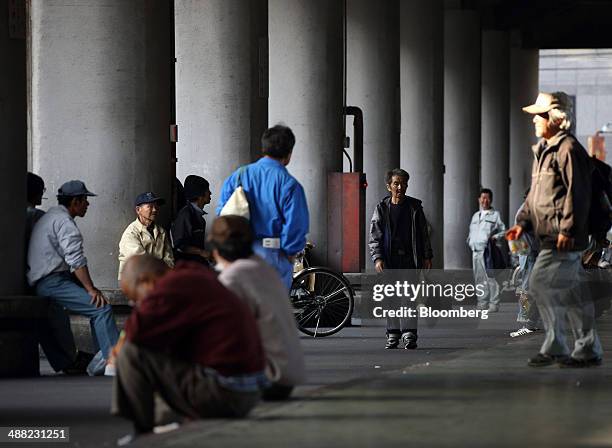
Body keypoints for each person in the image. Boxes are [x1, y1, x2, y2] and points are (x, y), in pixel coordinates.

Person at [111, 255, 268, 440]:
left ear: (146, 281)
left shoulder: (171, 286)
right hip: (248, 390)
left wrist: (119, 347)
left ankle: (143, 434)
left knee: (131, 352)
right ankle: (162, 419)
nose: (138, 305)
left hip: (227, 393)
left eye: (135, 299)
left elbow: (135, 331)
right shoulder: (191, 277)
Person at [507, 91, 603, 367]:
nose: (535, 120)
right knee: (571, 291)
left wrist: (568, 230)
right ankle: (585, 348)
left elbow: (578, 193)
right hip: (549, 234)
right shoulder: (544, 151)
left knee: (538, 282)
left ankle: (557, 344)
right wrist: (522, 223)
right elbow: (535, 196)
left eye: (540, 115)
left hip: (562, 237)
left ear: (555, 118)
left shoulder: (568, 149)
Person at [27, 180, 119, 375]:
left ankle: (100, 358)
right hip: (52, 282)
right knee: (101, 308)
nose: (88, 204)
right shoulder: (64, 223)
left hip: (47, 281)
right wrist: (91, 289)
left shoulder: (52, 216)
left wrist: (89, 288)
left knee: (87, 310)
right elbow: (76, 261)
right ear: (75, 202)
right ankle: (113, 360)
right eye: (85, 200)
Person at [211, 215, 306, 400]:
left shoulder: (232, 278)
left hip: (269, 379)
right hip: (287, 376)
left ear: (215, 250)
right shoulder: (264, 268)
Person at [216, 124, 309, 290]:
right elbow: (296, 227)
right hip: (273, 255)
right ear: (289, 154)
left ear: (264, 148)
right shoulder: (290, 185)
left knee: (242, 310)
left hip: (239, 254)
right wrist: (289, 253)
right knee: (271, 312)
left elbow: (222, 215)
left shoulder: (238, 176)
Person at [369, 168, 433, 350]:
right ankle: (393, 333)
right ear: (389, 186)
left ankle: (409, 333)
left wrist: (427, 255)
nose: (400, 187)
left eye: (403, 183)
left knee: (409, 297)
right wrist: (377, 258)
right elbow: (375, 236)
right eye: (396, 183)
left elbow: (423, 234)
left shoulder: (415, 207)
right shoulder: (382, 208)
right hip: (389, 259)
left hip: (410, 259)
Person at [118, 192, 174, 280]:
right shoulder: (131, 233)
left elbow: (169, 258)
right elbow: (140, 261)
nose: (155, 210)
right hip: (133, 281)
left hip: (156, 279)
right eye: (150, 206)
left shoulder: (161, 231)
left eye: (156, 206)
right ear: (138, 210)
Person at [467, 188, 506, 313]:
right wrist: (469, 241)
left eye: (487, 198)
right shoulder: (475, 215)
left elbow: (504, 230)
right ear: (479, 199)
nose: (485, 200)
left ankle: (494, 303)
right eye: (483, 198)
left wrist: (495, 237)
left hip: (487, 251)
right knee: (479, 278)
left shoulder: (495, 215)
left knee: (491, 277)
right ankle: (482, 303)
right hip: (475, 251)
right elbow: (471, 232)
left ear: (491, 199)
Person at [510, 188, 541, 338]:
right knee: (527, 288)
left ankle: (531, 321)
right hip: (530, 255)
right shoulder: (526, 212)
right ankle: (526, 320)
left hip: (530, 255)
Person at [171, 175, 211, 264]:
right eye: (208, 190)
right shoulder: (185, 215)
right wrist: (201, 252)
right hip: (186, 266)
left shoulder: (197, 216)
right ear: (200, 195)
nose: (210, 193)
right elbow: (180, 245)